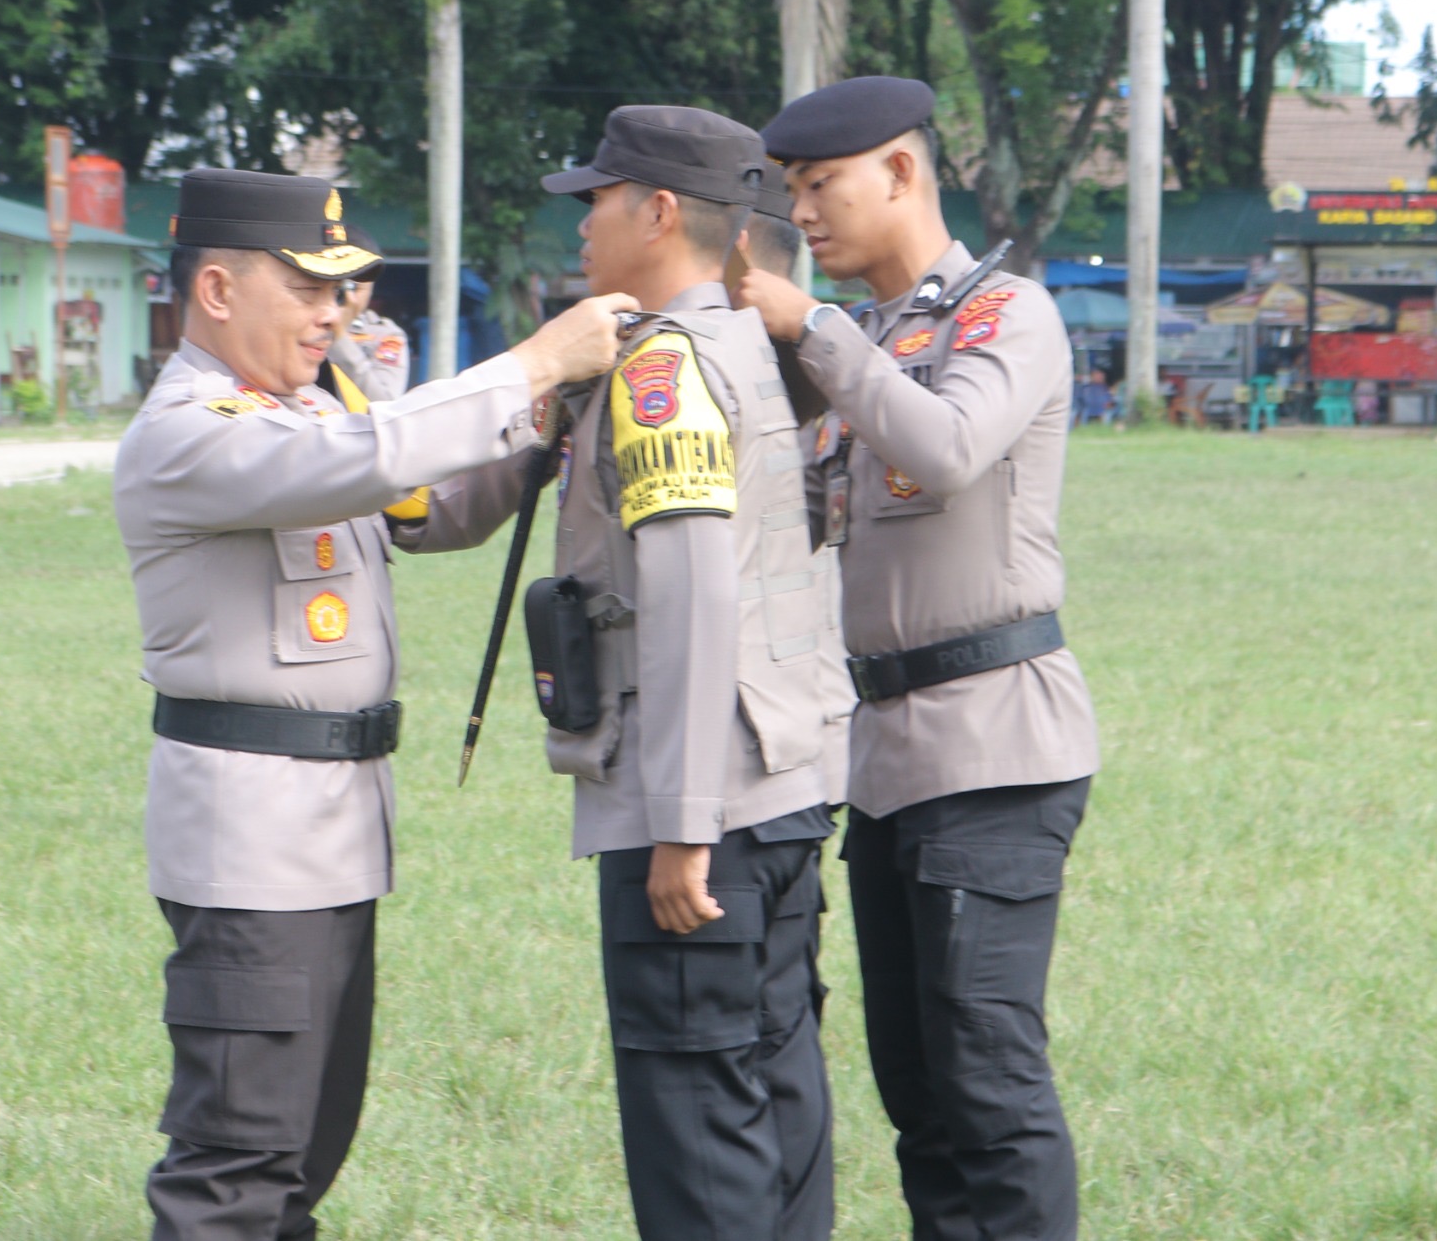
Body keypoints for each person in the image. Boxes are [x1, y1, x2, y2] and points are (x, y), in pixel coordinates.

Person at [111, 168, 638, 1241]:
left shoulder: (302, 414)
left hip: (330, 836)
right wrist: (534, 359)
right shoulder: (193, 431)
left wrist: (541, 421)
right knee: (235, 1165)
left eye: (338, 288)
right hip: (251, 847)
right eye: (306, 287)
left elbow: (426, 509)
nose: (332, 311)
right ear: (216, 290)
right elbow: (373, 455)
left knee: (302, 1154)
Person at [394, 106, 854, 1241]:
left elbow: (694, 588)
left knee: (697, 1128)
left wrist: (681, 826)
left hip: (701, 812)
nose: (582, 222)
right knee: (776, 1099)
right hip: (781, 790)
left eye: (595, 199)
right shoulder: (731, 343)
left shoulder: (662, 373)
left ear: (657, 212)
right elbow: (449, 506)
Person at [732, 75, 1101, 1241]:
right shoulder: (871, 343)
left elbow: (943, 448)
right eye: (791, 194)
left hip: (992, 748)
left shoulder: (1005, 315)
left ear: (900, 171)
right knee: (919, 1094)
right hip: (886, 758)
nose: (808, 216)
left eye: (823, 185)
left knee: (988, 1087)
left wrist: (813, 331)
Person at [325, 267, 411, 402]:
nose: (346, 297)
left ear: (369, 289)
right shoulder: (300, 324)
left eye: (353, 288)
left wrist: (340, 338)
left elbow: (384, 401)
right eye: (335, 288)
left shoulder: (384, 333)